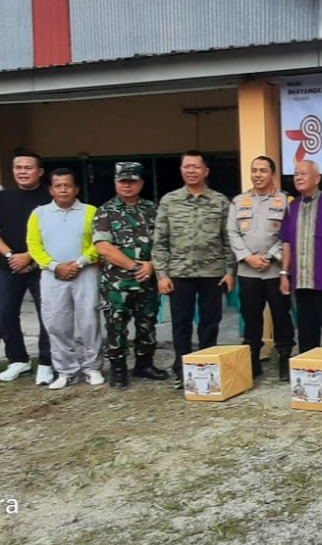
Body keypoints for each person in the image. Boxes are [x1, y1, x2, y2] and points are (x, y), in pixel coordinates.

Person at [153, 151, 235, 389]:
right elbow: (160, 242)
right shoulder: (169, 201)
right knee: (181, 324)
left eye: (196, 167)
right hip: (180, 273)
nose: (191, 171)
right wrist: (162, 275)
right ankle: (182, 370)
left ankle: (206, 369)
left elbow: (228, 240)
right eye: (186, 166)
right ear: (181, 170)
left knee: (210, 323)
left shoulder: (219, 201)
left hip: (213, 273)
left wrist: (230, 272)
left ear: (205, 171)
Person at [26, 168, 103, 389]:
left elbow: (98, 244)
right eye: (58, 186)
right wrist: (55, 266)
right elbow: (34, 245)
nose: (63, 190)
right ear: (50, 189)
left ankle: (93, 368)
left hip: (85, 272)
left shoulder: (91, 211)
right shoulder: (38, 214)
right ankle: (65, 370)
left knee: (89, 321)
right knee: (57, 323)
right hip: (52, 275)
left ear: (76, 188)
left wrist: (79, 263)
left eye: (67, 185)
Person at [93, 162, 168, 388]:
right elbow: (103, 247)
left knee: (147, 324)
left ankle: (144, 364)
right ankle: (118, 370)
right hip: (117, 283)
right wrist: (136, 266)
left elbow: (165, 242)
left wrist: (152, 265)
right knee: (116, 326)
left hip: (148, 281)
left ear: (141, 183)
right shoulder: (105, 211)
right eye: (122, 181)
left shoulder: (152, 209)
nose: (127, 185)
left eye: (132, 181)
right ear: (115, 183)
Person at [228, 156, 295, 380]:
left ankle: (284, 359)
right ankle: (253, 361)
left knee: (281, 316)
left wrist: (268, 256)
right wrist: (248, 257)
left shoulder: (285, 201)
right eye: (254, 170)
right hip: (248, 272)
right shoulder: (239, 201)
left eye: (263, 171)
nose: (258, 175)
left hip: (274, 271)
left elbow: (287, 235)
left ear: (272, 174)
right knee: (251, 317)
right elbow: (232, 233)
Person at [279, 160, 322, 359]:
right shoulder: (292, 207)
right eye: (296, 174)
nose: (298, 177)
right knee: (307, 334)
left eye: (303, 173)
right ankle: (309, 378)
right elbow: (287, 243)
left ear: (316, 178)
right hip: (301, 281)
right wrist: (284, 273)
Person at [0, 150, 53, 384]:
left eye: (28, 167)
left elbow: (54, 234)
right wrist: (12, 255)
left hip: (41, 267)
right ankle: (18, 360)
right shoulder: (4, 198)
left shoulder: (50, 198)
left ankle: (45, 362)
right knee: (5, 314)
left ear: (40, 172)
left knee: (48, 316)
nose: (22, 172)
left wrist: (29, 257)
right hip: (7, 266)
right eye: (18, 167)